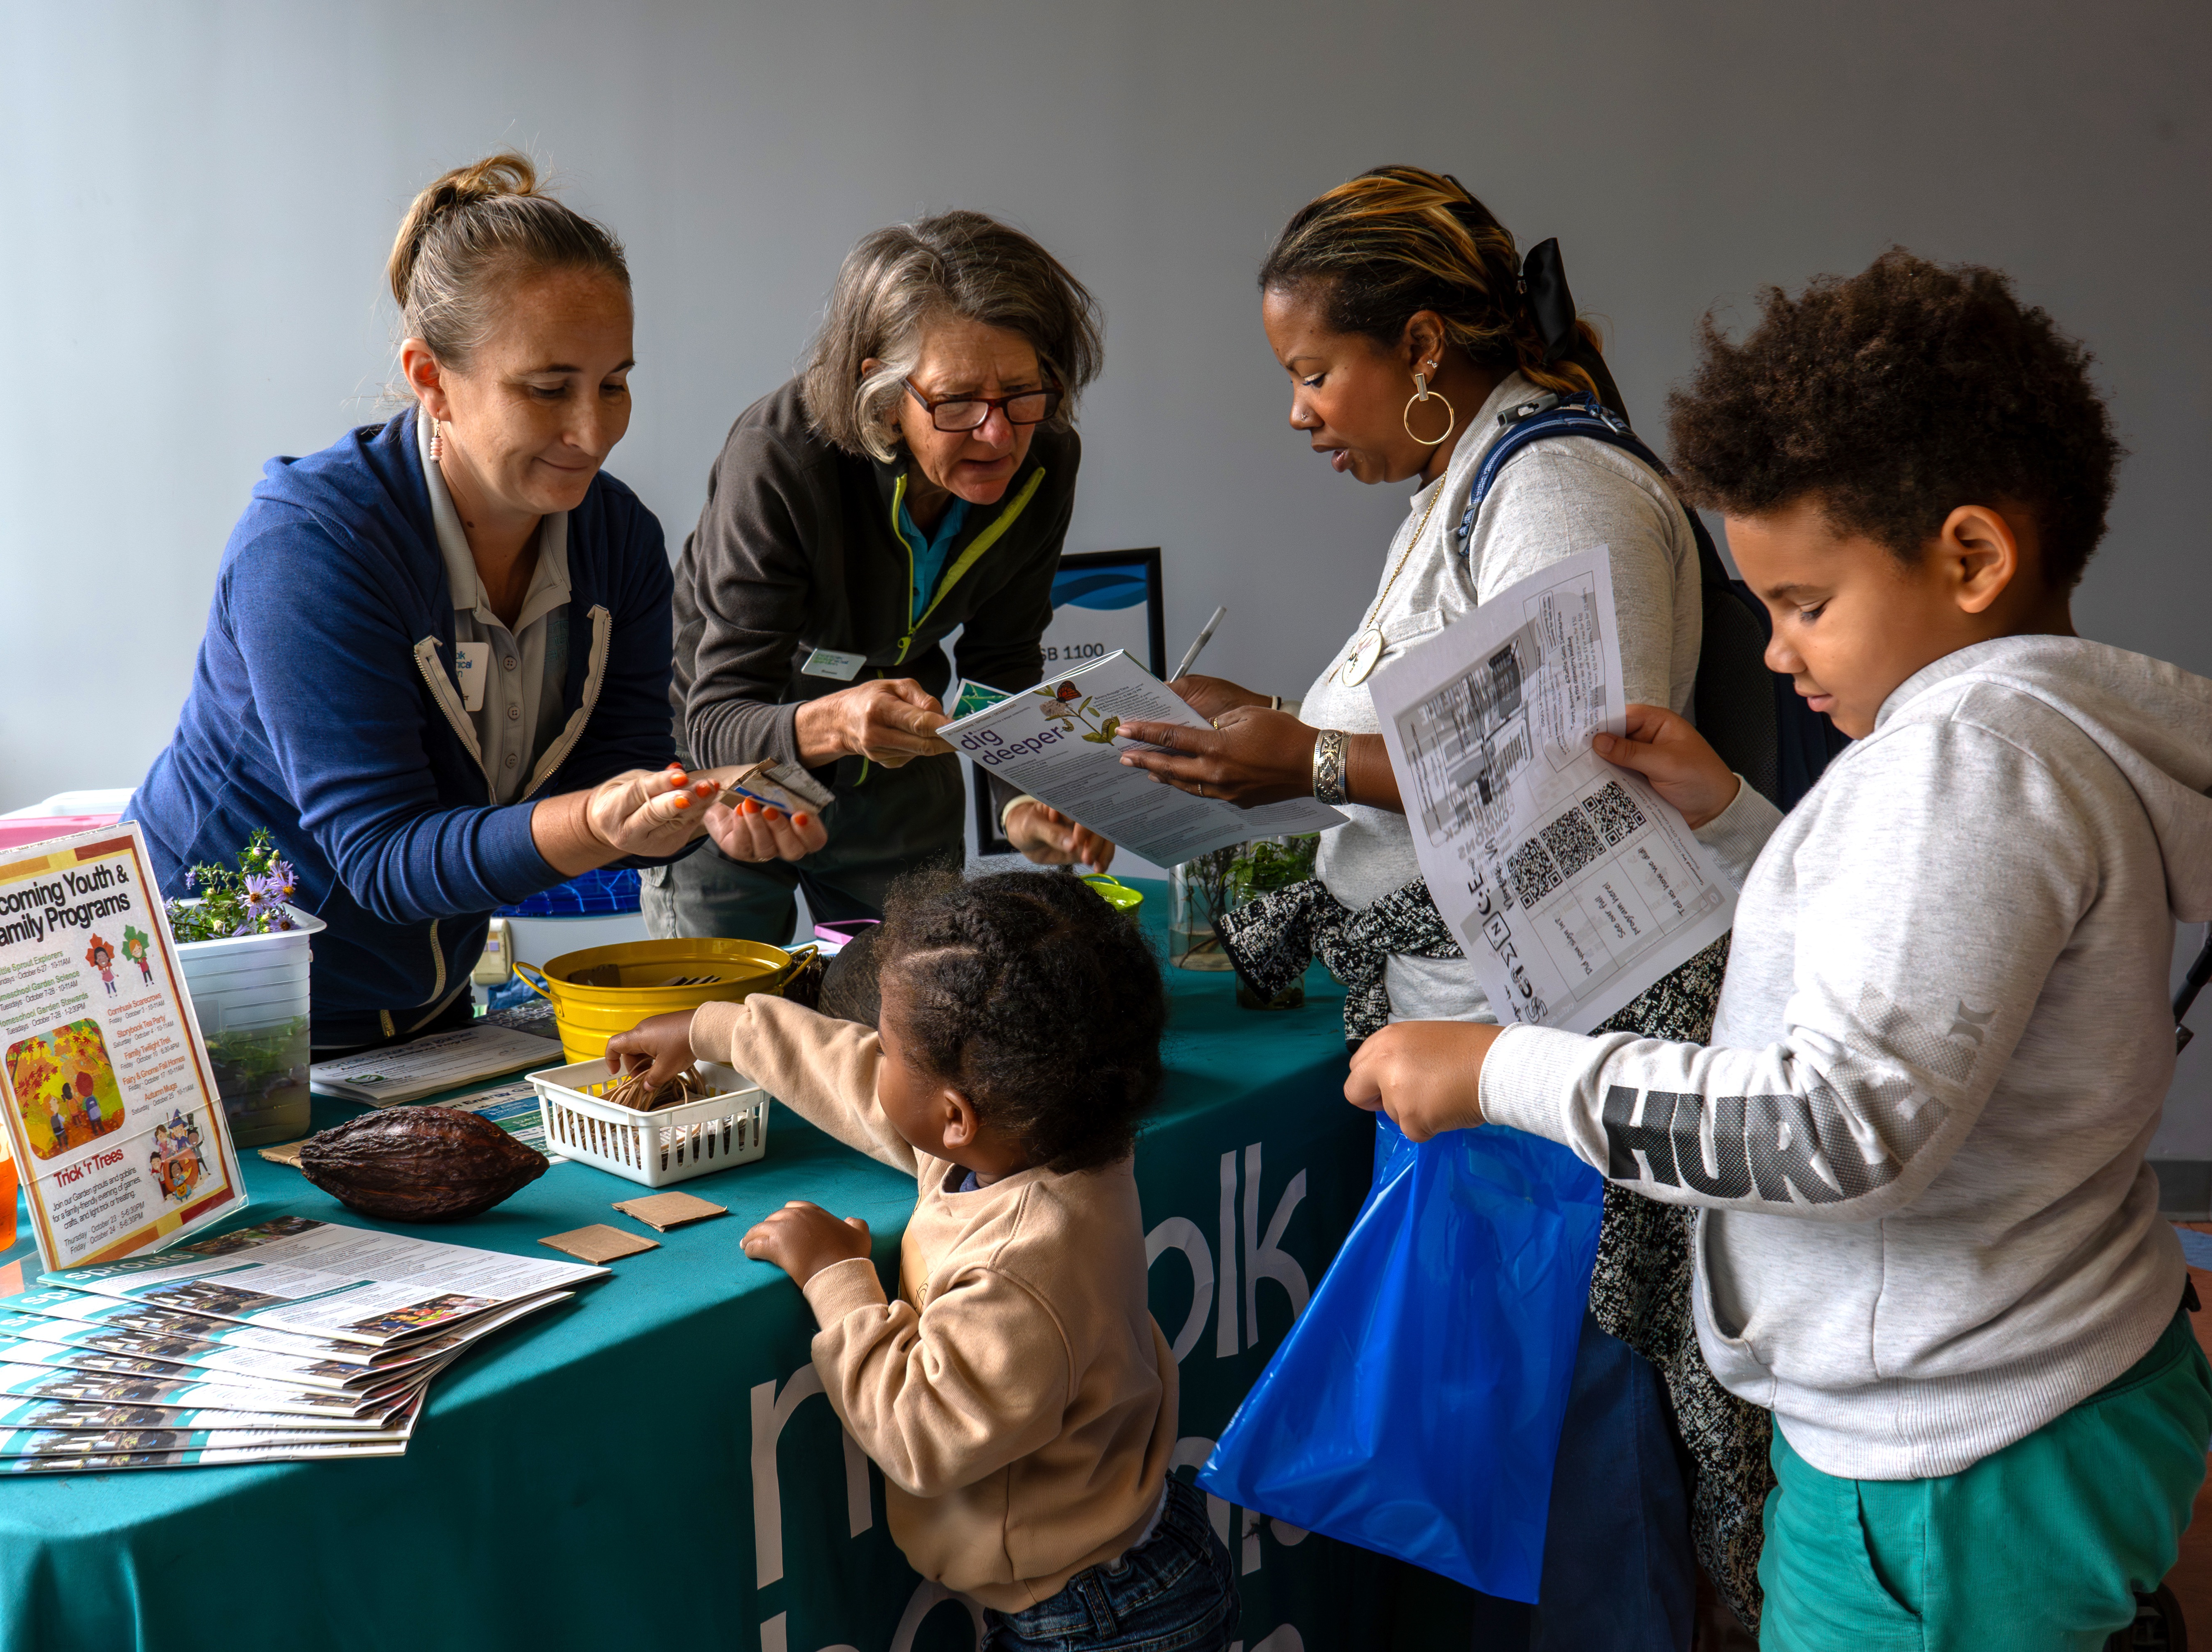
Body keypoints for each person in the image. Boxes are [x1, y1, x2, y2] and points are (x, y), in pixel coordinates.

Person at [1354, 250, 2212, 1650]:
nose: (1773, 652)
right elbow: (1941, 974)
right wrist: (1741, 825)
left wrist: (1504, 1072)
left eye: (1806, 604)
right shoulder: (2035, 743)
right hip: (2034, 1384)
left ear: (1973, 558)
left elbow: (1837, 1123)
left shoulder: (1961, 768)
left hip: (1946, 1465)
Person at [1114, 166, 1731, 1638]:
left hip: (1544, 1061)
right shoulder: (1463, 490)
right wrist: (1254, 732)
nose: (1298, 413)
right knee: (1509, 1473)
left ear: (1426, 347)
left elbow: (1576, 771)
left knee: (1575, 1480)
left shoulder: (1559, 490)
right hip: (1475, 1052)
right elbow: (1449, 747)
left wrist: (1306, 757)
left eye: (1315, 372)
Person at [128, 154, 821, 1051]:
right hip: (212, 1008)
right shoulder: (310, 547)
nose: (593, 431)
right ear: (431, 379)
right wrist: (603, 819)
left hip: (419, 1005)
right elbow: (384, 858)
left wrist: (687, 818)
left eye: (614, 383)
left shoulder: (618, 539)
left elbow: (616, 779)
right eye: (548, 389)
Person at [608, 871, 1236, 1649]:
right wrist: (717, 1030)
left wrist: (836, 1278)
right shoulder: (1050, 1134)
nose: (872, 1056)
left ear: (955, 1115)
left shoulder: (1018, 1265)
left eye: (891, 1049)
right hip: (1122, 1559)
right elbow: (854, 1078)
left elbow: (920, 1435)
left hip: (1096, 1618)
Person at [649, 212, 1113, 947]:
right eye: (957, 401)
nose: (998, 434)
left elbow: (1002, 657)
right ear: (883, 394)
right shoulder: (779, 458)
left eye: (1023, 392)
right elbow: (716, 718)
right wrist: (837, 722)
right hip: (735, 781)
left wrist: (1021, 798)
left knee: (917, 1006)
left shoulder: (1047, 457)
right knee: (725, 1012)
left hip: (899, 784)